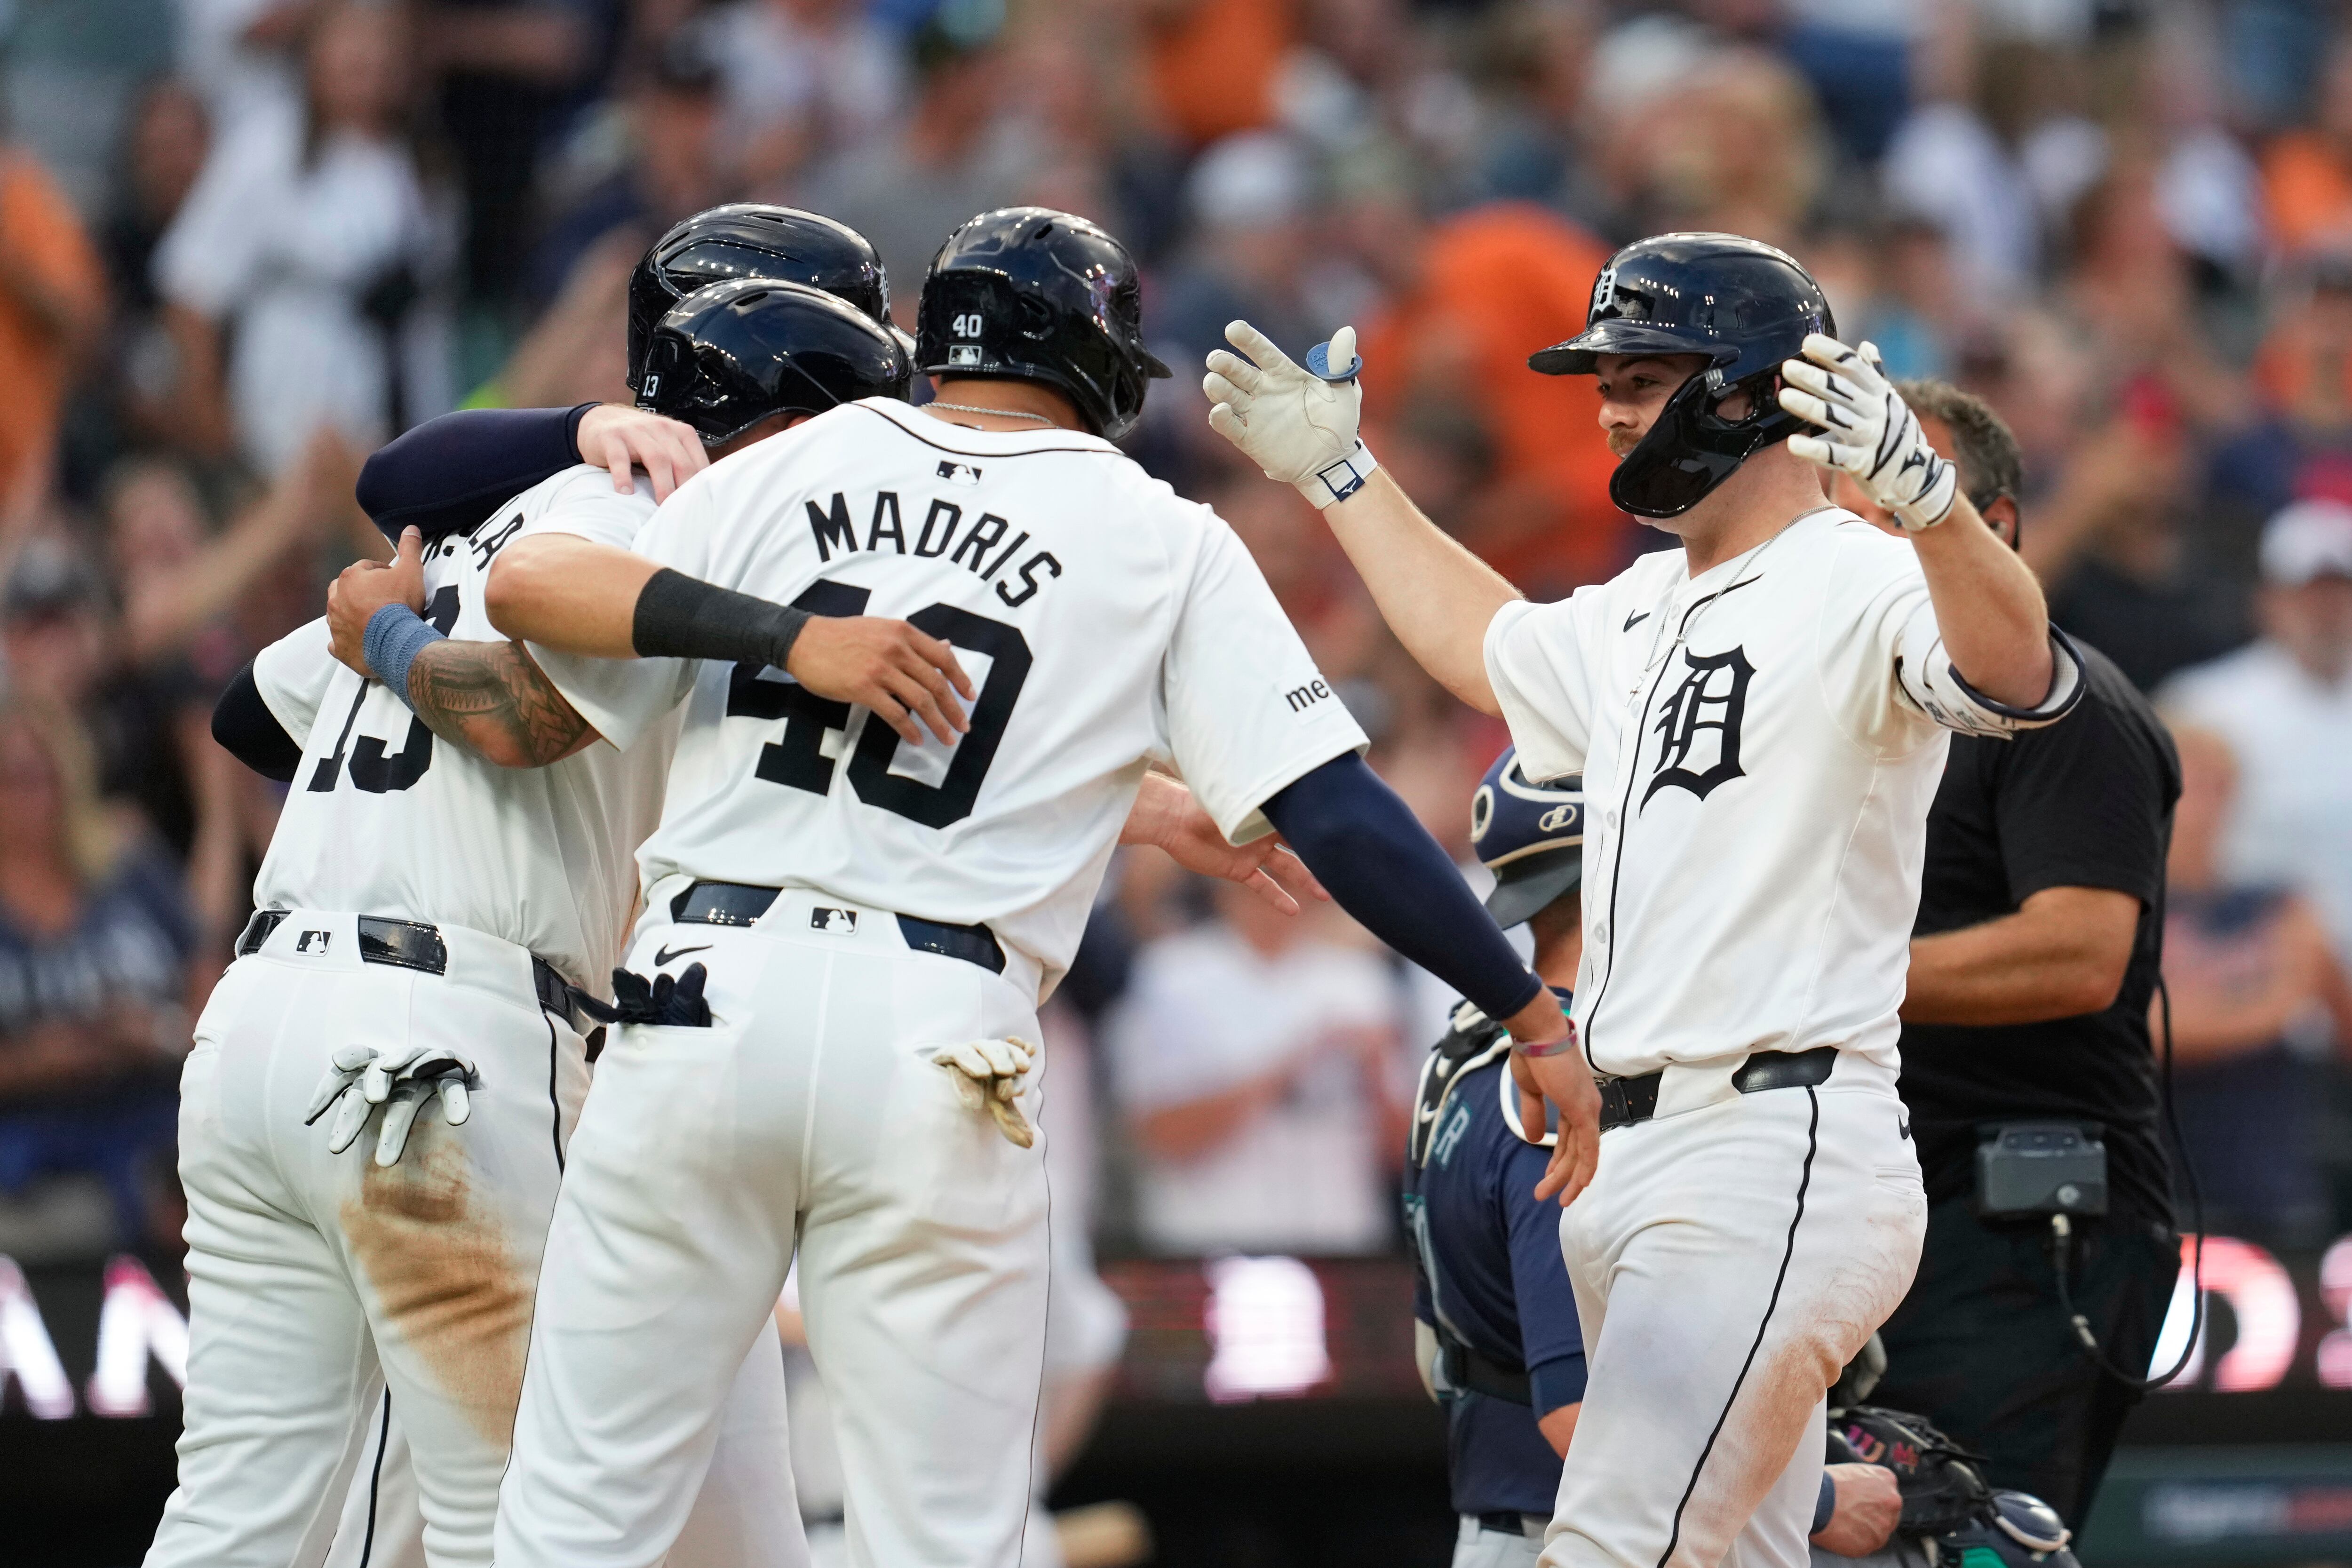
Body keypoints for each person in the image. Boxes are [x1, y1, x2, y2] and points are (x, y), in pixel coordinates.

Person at [455, 205, 1571, 1568]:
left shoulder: (800, 458)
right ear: (1103, 365)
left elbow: (527, 584)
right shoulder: (1158, 532)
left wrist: (793, 637)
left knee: (573, 1523)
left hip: (699, 999)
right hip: (935, 1033)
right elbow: (1336, 812)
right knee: (948, 1544)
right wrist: (1527, 1010)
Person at [1204, 231, 2080, 1568]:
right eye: (1604, 378)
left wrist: (1932, 507)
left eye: (1645, 375)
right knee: (1733, 1552)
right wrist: (1343, 477)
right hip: (1631, 1154)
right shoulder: (1642, 604)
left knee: (1612, 1543)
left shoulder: (1858, 571)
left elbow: (2019, 674)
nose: (1610, 408)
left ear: (1751, 389)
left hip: (1770, 1138)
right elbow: (1485, 647)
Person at [152, 279, 939, 1568]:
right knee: (524, 1526)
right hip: (439, 1044)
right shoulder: (673, 523)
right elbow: (525, 722)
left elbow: (251, 708)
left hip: (261, 1025)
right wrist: (401, 647)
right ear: (788, 421)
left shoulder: (496, 514)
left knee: (239, 1519)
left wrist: (394, 651)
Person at [1823, 380, 2183, 1534]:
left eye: (1900, 508)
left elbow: (2079, 952)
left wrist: (1818, 979)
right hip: (1865, 1199)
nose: (1864, 542)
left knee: (1960, 1534)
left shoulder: (2065, 708)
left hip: (2020, 1216)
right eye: (1843, 514)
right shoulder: (1846, 714)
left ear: (1999, 528)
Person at [1408, 750, 1904, 1568]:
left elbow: (1432, 1356)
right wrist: (1817, 1501)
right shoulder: (1568, 1092)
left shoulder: (1470, 1048)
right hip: (1579, 1539)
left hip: (1521, 1526)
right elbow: (1576, 1415)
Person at [1109, 873, 1405, 1257]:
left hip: (1343, 1246)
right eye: (1262, 878)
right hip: (1210, 1244)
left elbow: (1402, 1154)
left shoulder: (1360, 980)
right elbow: (1160, 1135)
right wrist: (1290, 1065)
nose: (1277, 895)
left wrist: (1376, 1070)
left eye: (1291, 879)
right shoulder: (1171, 975)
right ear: (1225, 888)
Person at [2158, 725, 2352, 1248]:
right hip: (2151, 1187)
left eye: (2212, 783)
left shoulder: (2278, 901)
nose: (2195, 802)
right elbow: (2139, 1031)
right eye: (2181, 780)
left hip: (2268, 1186)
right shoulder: (2115, 910)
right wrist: (2274, 1000)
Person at [2160, 500, 2352, 968]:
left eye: (2337, 593)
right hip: (2252, 970)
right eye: (2307, 594)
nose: (2324, 611)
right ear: (2268, 600)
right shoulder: (2203, 704)